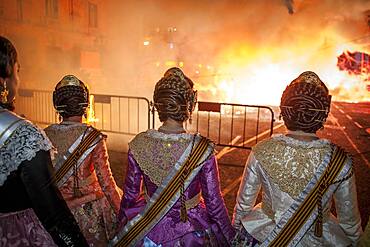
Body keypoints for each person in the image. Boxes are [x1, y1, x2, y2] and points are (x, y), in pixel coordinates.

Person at [232, 71, 363, 246]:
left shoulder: (261, 151)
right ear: (322, 114)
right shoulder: (340, 160)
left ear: (284, 112)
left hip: (266, 235)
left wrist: (235, 234)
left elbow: (243, 206)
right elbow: (349, 220)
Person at [113, 67, 235, 246]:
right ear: (189, 106)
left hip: (147, 230)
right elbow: (214, 204)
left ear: (157, 107)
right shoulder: (202, 149)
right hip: (190, 230)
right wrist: (231, 237)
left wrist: (121, 228)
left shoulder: (139, 143)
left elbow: (130, 196)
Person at [0, 36, 88, 246]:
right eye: (18, 71)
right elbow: (53, 214)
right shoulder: (24, 136)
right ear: (4, 80)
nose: (18, 80)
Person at [44, 75, 122, 246]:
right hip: (91, 211)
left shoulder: (44, 135)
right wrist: (123, 214)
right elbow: (107, 183)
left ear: (57, 106)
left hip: (58, 211)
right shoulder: (93, 137)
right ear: (85, 105)